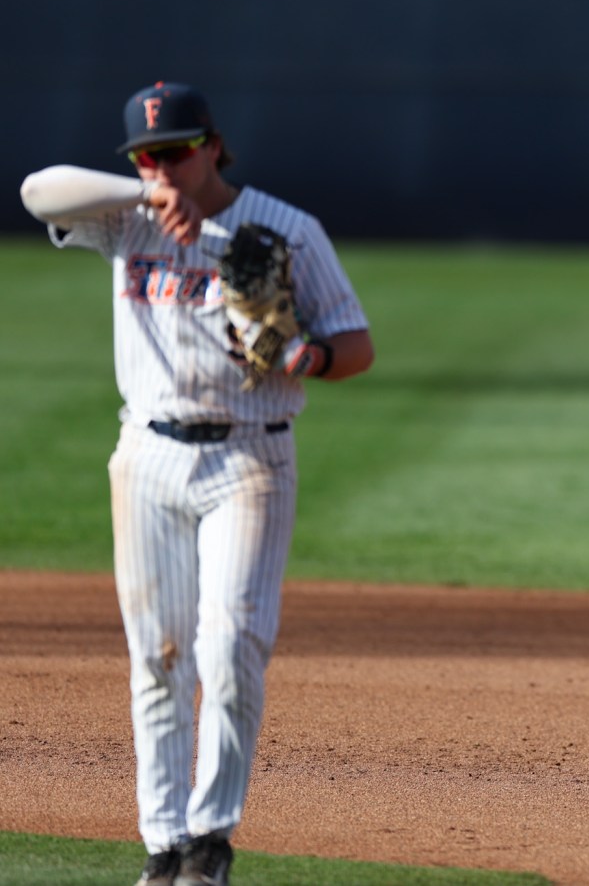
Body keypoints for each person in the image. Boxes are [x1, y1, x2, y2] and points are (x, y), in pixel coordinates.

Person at [19, 81, 374, 885]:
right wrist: (143, 189)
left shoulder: (286, 229)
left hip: (249, 457)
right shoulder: (125, 217)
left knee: (230, 644)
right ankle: (164, 842)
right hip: (145, 456)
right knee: (158, 654)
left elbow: (356, 345)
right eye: (148, 154)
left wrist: (307, 356)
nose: (164, 165)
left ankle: (211, 837)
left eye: (176, 150)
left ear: (214, 144)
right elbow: (37, 189)